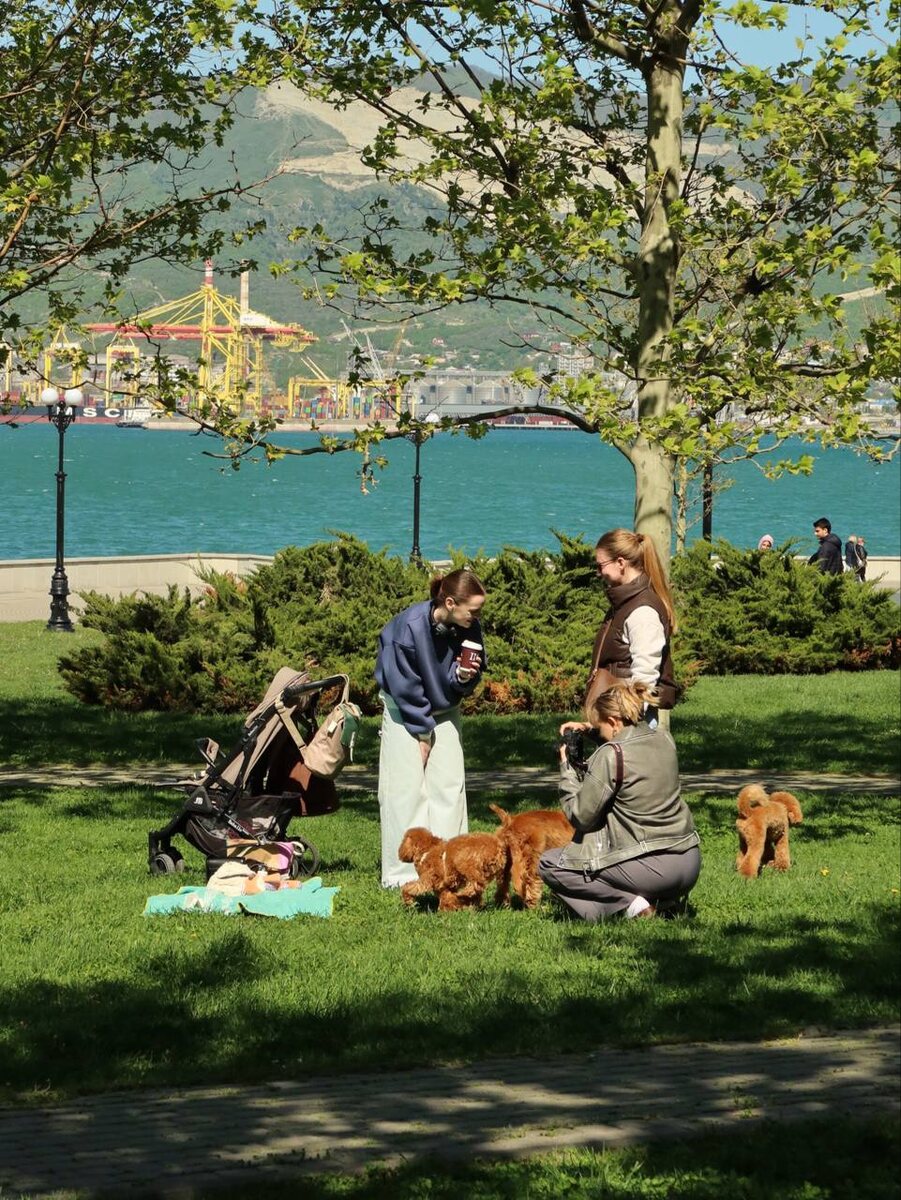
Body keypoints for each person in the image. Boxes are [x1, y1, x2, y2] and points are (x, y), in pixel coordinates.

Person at [539, 680, 701, 921]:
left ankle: (636, 907)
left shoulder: (611, 754)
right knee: (592, 907)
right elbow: (628, 737)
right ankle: (663, 904)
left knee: (551, 864)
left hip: (653, 869)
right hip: (689, 862)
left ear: (614, 722)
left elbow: (581, 816)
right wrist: (590, 729)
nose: (599, 731)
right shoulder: (665, 740)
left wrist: (567, 768)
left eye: (600, 725)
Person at [374, 568, 487, 888]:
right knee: (405, 792)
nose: (478, 616)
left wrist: (464, 678)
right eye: (473, 609)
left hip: (446, 708)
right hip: (403, 710)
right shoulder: (406, 629)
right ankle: (402, 875)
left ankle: (452, 865)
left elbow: (463, 679)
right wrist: (422, 733)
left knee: (449, 789)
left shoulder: (469, 626)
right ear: (450, 603)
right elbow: (404, 687)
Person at [588, 528, 679, 720]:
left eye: (601, 565)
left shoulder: (642, 611)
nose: (598, 573)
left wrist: (624, 722)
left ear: (620, 563)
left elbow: (644, 676)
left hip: (630, 719)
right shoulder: (624, 603)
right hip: (615, 714)